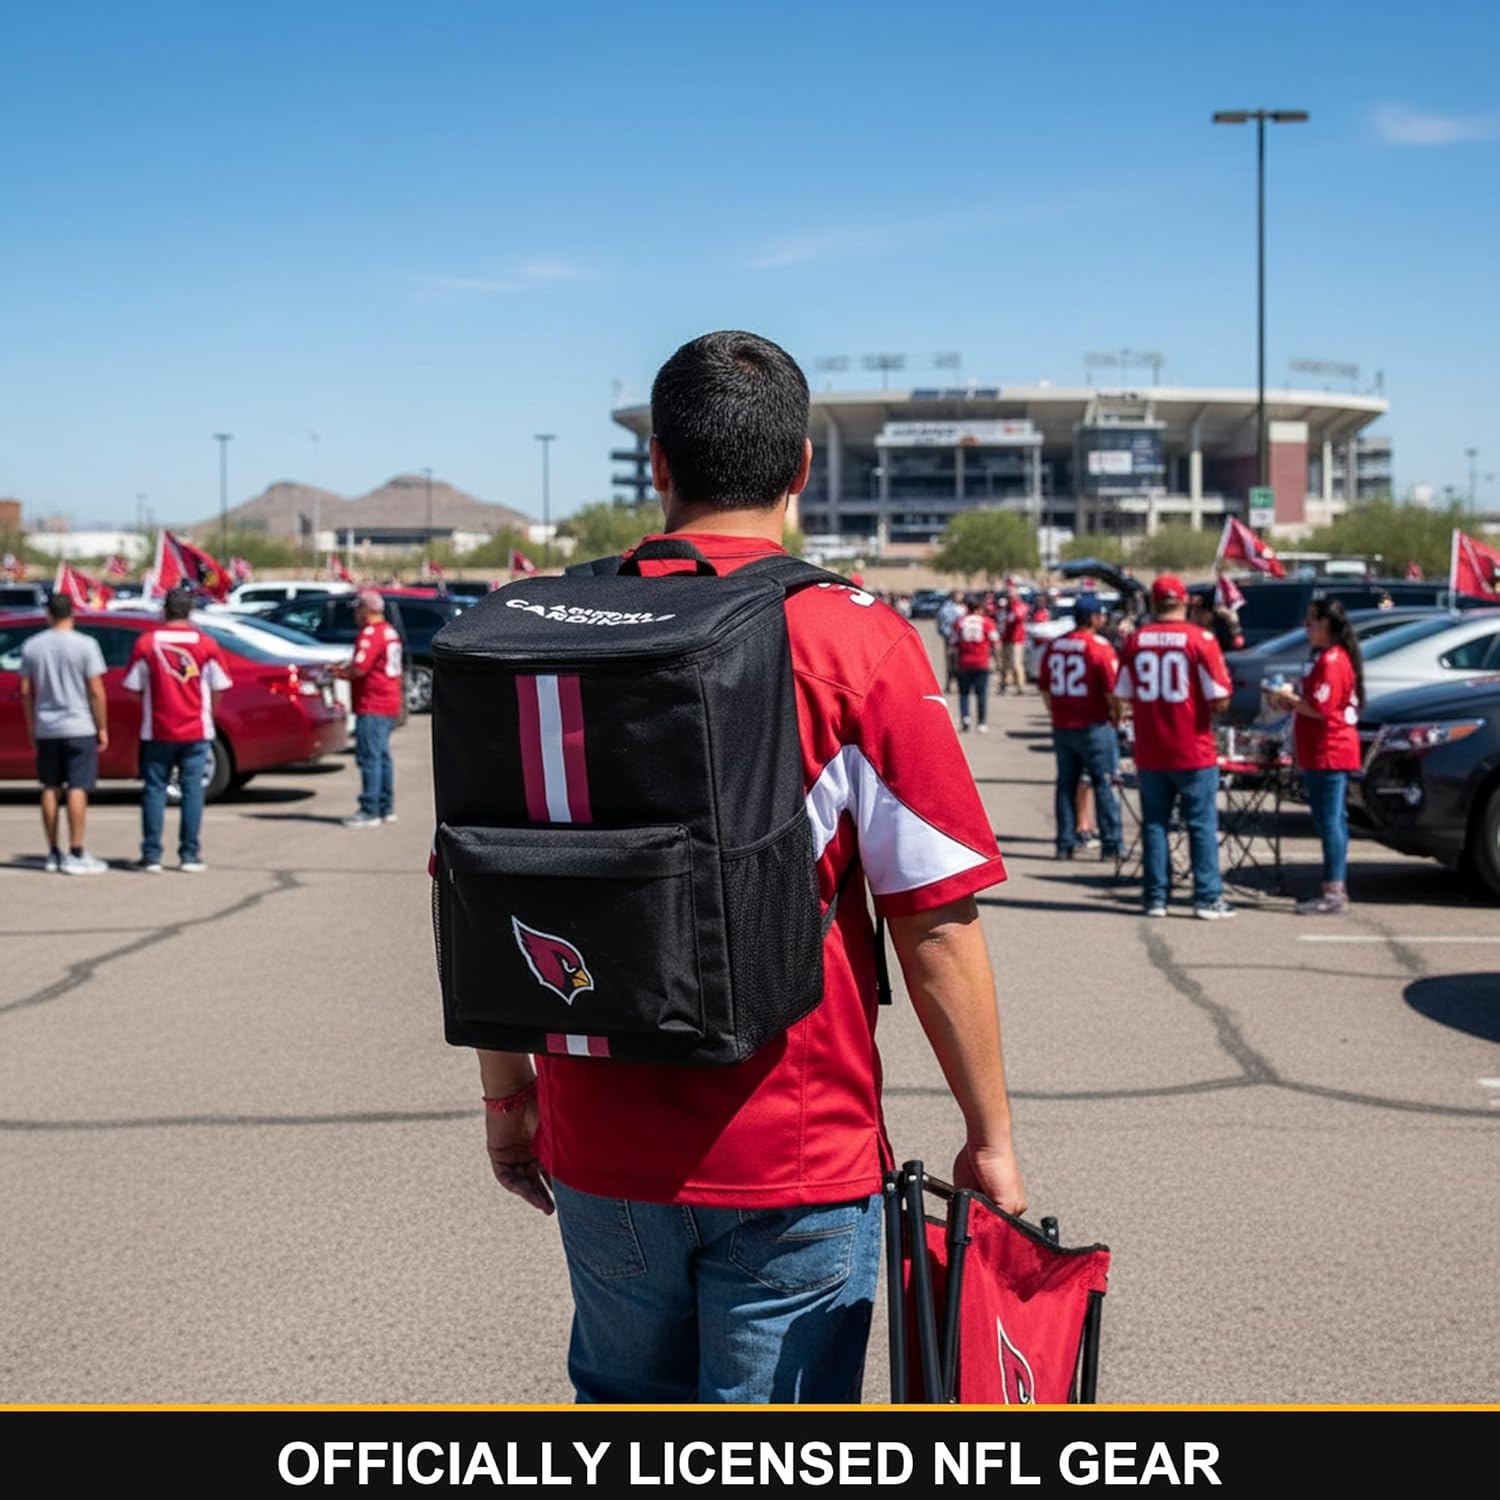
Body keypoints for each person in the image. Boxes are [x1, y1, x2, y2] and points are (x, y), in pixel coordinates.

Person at [476, 330, 1024, 1404]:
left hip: (598, 1132)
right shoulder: (852, 638)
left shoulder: (539, 630)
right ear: (803, 468)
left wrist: (510, 1101)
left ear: (659, 466)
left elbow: (492, 885)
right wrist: (988, 1136)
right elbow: (936, 921)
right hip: (796, 1147)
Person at [1114, 574, 1234, 919]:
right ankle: (1207, 897)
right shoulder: (1201, 639)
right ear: (1184, 602)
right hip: (1193, 748)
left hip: (1151, 748)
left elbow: (1121, 693)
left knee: (1154, 825)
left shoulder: (1137, 640)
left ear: (1153, 603)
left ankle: (1155, 897)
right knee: (1200, 825)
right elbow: (1221, 698)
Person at [122, 585, 232, 873]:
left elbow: (133, 688)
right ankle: (190, 855)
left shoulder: (147, 643)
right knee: (192, 790)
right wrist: (210, 713)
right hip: (196, 729)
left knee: (154, 790)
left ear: (164, 610)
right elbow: (219, 686)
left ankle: (152, 855)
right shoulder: (206, 644)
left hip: (157, 728)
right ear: (190, 611)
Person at [1264, 598, 1363, 915]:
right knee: (1331, 820)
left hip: (1329, 750)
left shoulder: (1333, 660)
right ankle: (1334, 884)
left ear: (1325, 625)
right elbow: (1313, 702)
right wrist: (1293, 701)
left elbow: (1319, 708)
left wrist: (1288, 698)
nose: (1306, 629)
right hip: (1323, 749)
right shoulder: (1327, 658)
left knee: (1329, 820)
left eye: (1311, 623)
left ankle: (1334, 889)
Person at [18, 592, 109, 874]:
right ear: (73, 614)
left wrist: (32, 725)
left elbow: (24, 691)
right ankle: (76, 850)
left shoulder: (32, 646)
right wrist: (102, 726)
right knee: (78, 787)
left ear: (49, 615)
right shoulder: (86, 645)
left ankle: (53, 851)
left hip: (47, 725)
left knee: (50, 786)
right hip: (79, 724)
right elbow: (95, 689)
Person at [1037, 593, 1122, 861]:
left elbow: (1045, 688)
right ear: (1093, 617)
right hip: (1094, 725)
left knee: (1066, 784)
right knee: (1104, 783)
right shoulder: (1099, 647)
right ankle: (1111, 844)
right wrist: (1116, 716)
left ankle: (1065, 842)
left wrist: (1055, 713)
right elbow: (1113, 691)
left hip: (1063, 725)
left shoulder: (1056, 646)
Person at [338, 591, 403, 829]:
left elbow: (360, 668)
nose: (356, 614)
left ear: (368, 610)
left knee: (370, 757)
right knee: (382, 756)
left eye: (358, 609)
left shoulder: (370, 634)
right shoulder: (389, 631)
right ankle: (385, 806)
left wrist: (339, 673)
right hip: (390, 699)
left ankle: (370, 809)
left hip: (373, 702)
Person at [953, 594, 1000, 733]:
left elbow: (953, 643)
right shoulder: (987, 622)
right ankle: (981, 722)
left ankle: (965, 718)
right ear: (979, 609)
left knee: (964, 693)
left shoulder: (960, 622)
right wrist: (996, 660)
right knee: (981, 693)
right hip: (981, 661)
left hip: (964, 662)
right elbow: (995, 642)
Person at [998, 589, 1028, 694]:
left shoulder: (1020, 606)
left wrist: (1014, 606)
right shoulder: (1006, 609)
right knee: (1004, 664)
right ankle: (1003, 685)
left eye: (1011, 597)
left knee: (1016, 663)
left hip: (1016, 640)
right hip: (1006, 638)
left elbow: (1019, 616)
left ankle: (1020, 687)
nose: (1009, 599)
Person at [935, 589, 965, 692]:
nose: (961, 597)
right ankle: (949, 684)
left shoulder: (963, 607)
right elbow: (942, 624)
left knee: (960, 662)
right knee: (951, 662)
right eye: (959, 595)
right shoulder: (946, 608)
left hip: (963, 639)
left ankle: (960, 683)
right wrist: (949, 635)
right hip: (951, 638)